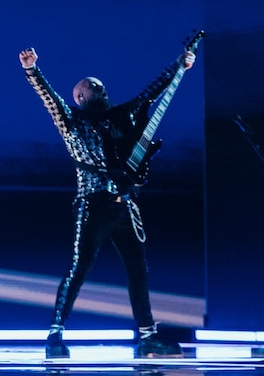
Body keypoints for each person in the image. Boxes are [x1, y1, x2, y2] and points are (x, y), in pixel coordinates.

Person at [19, 45, 195, 360]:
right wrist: (33, 71)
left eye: (102, 86)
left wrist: (180, 65)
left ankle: (148, 337)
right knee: (79, 267)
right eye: (95, 87)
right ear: (81, 98)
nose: (103, 90)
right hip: (93, 205)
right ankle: (55, 333)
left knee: (138, 271)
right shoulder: (71, 121)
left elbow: (151, 92)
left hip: (124, 204)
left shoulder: (119, 116)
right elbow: (49, 98)